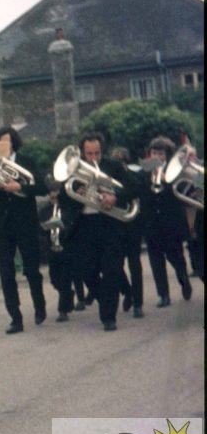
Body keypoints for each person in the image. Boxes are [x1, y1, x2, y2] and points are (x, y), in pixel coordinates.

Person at [57, 132, 135, 331]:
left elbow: (133, 188)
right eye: (89, 154)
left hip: (109, 224)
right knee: (86, 271)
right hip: (83, 225)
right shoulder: (73, 170)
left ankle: (109, 317)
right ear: (82, 153)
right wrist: (79, 195)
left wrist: (115, 197)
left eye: (97, 153)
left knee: (111, 270)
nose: (93, 158)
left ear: (103, 151)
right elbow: (63, 198)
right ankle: (105, 299)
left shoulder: (114, 166)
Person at [0, 126, 47, 334]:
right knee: (6, 272)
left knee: (31, 269)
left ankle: (39, 306)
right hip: (3, 225)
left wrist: (20, 187)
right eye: (0, 142)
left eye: (7, 142)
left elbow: (42, 188)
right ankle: (15, 317)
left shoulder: (26, 161)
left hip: (25, 222)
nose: (4, 146)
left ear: (14, 143)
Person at [140, 137, 193, 307]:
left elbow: (185, 192)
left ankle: (183, 278)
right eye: (154, 153)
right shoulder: (144, 172)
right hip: (151, 222)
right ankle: (163, 295)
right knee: (156, 260)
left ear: (167, 155)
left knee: (175, 256)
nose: (157, 156)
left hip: (171, 222)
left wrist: (167, 181)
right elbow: (138, 191)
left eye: (161, 153)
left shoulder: (175, 171)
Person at [39, 178, 83, 322]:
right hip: (52, 249)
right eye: (51, 192)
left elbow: (72, 224)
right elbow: (39, 228)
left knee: (64, 279)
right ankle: (68, 295)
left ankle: (63, 310)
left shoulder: (67, 208)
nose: (53, 195)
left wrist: (63, 227)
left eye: (56, 192)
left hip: (67, 247)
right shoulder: (44, 210)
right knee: (54, 279)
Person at [110, 147, 147, 318]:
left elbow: (138, 190)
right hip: (116, 223)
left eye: (122, 162)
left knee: (134, 264)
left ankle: (138, 303)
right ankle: (128, 292)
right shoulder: (108, 177)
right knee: (116, 265)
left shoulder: (134, 175)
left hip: (132, 223)